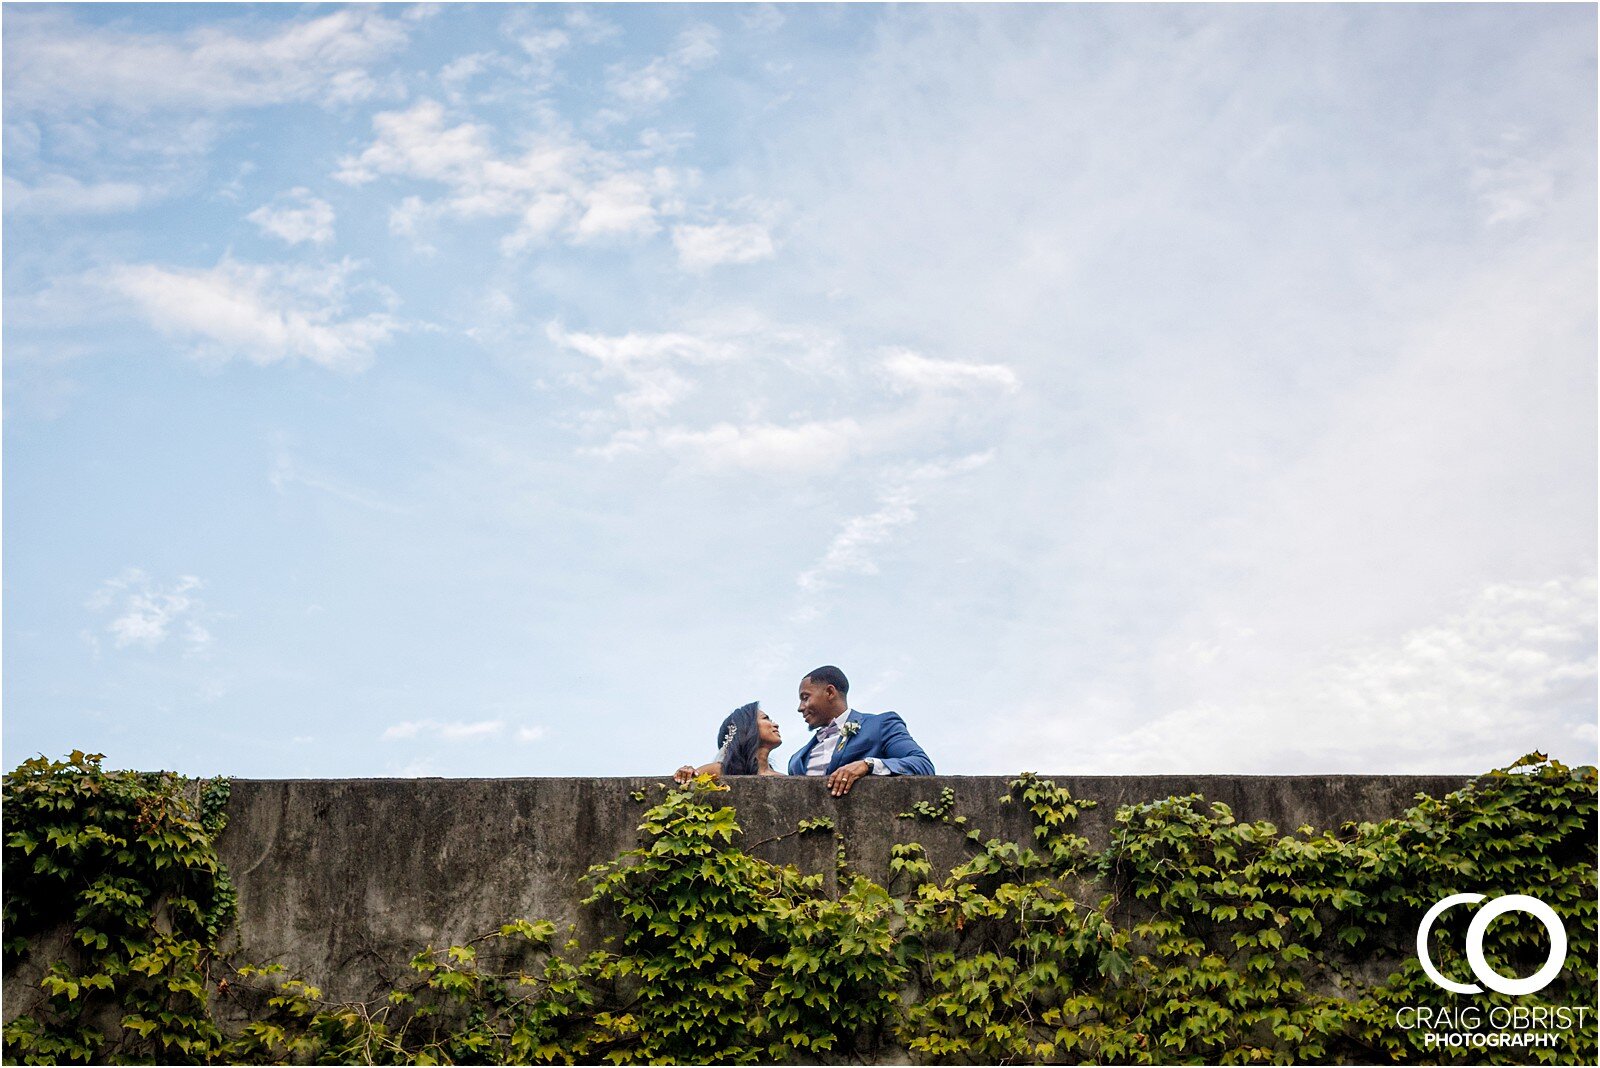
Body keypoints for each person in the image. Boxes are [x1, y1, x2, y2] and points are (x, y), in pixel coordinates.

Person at [788, 665, 934, 796]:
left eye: (805, 698)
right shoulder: (796, 759)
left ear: (830, 692)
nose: (800, 707)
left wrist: (868, 765)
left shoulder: (880, 725)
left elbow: (922, 764)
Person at [674, 702, 784, 782]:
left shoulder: (784, 778)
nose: (775, 724)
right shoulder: (716, 771)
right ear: (746, 727)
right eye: (765, 718)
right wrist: (686, 773)